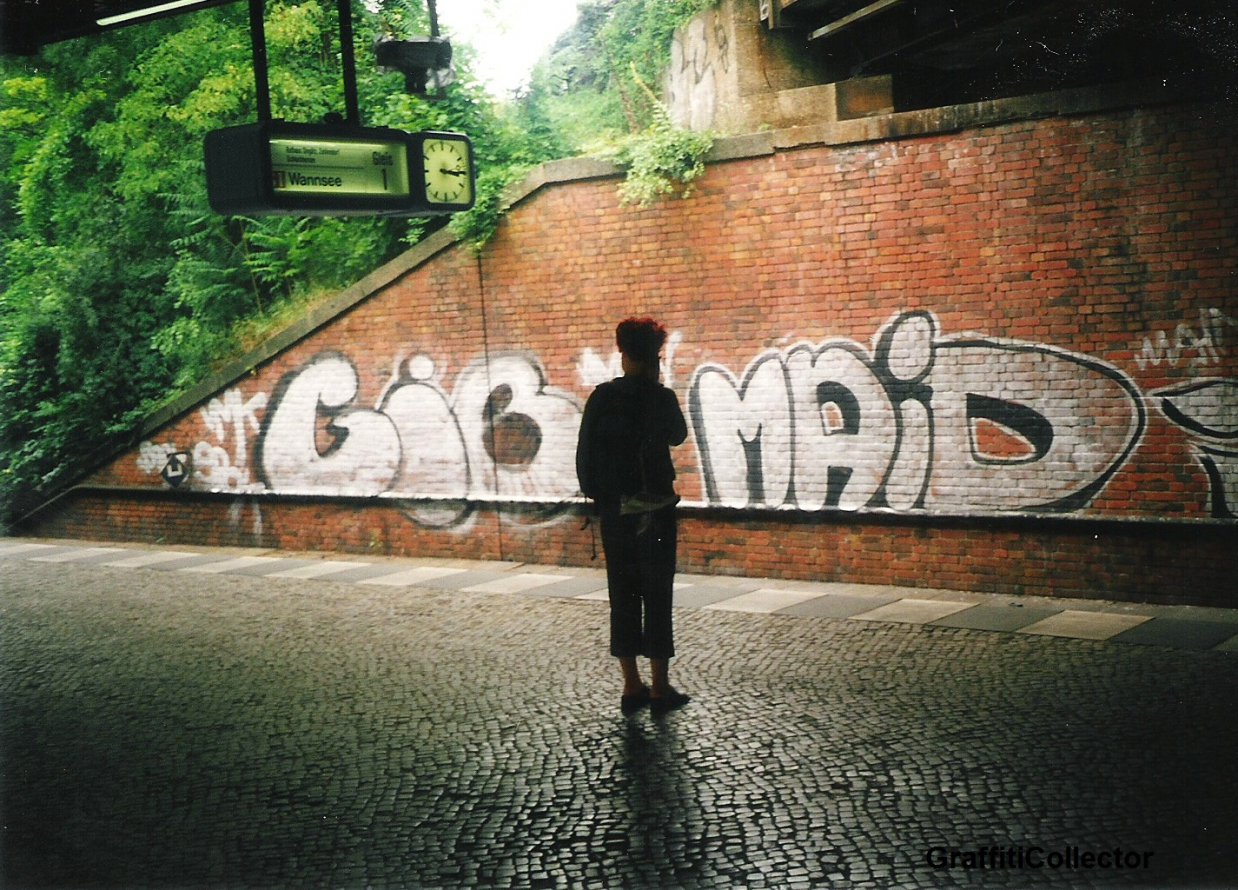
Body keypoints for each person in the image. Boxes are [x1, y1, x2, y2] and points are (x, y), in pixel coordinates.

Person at [576, 317, 690, 715]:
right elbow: (678, 435)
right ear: (655, 357)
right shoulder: (661, 398)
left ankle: (631, 685)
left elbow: (585, 460)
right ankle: (660, 686)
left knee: (622, 597)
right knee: (658, 597)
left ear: (624, 354)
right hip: (657, 513)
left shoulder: (602, 398)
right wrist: (656, 390)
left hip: (616, 516)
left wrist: (603, 499)